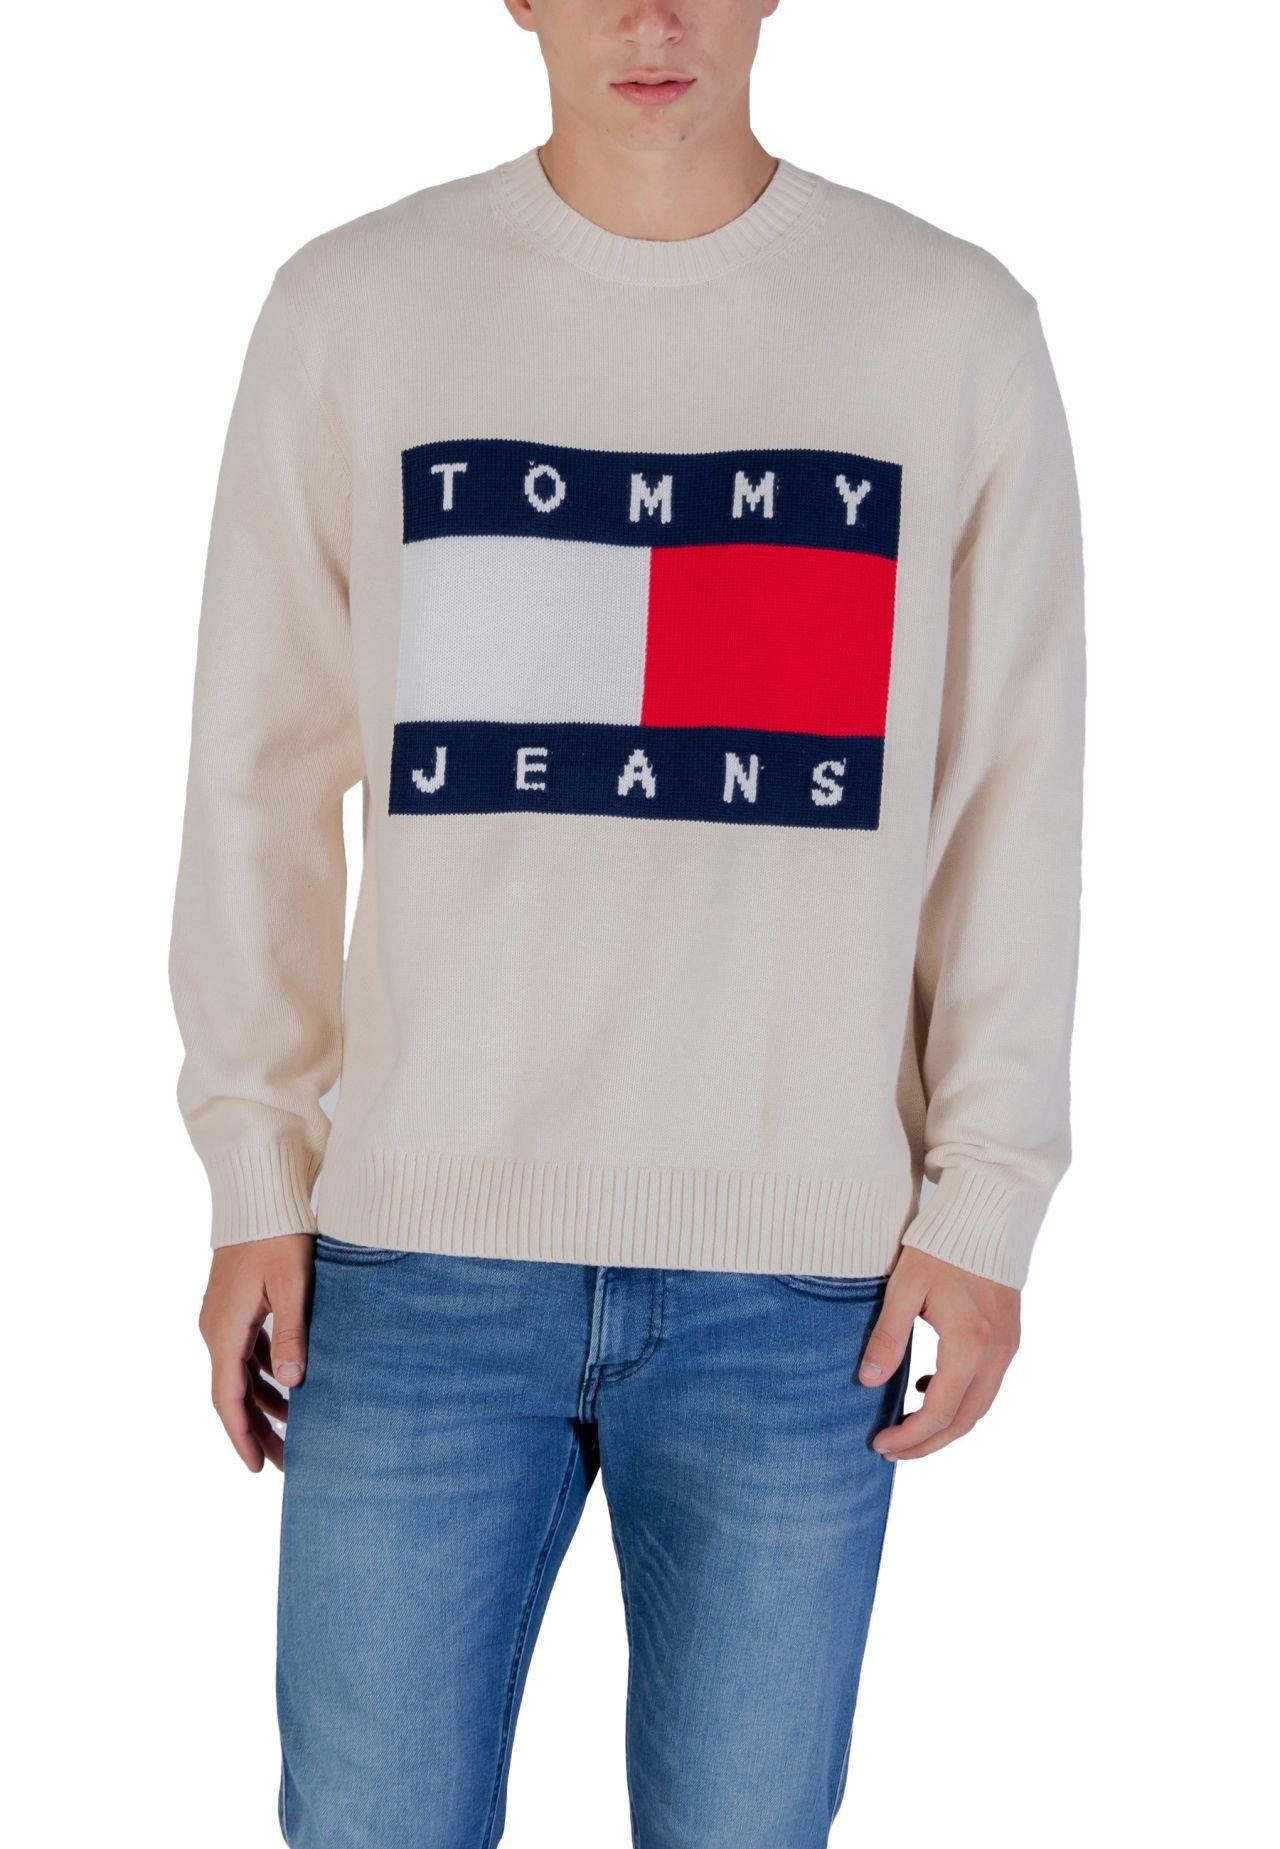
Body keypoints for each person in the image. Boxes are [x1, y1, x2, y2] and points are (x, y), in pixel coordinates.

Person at [167, 2, 1086, 1843]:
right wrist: (255, 1166)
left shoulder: (947, 328)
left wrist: (984, 1198)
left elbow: (1012, 794)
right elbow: (256, 772)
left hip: (798, 1286)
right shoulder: (355, 310)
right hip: (415, 1265)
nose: (650, 16)